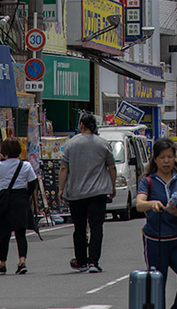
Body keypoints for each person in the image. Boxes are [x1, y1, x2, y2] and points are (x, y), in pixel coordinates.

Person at [136, 138, 177, 309]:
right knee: (157, 285)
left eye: (170, 157)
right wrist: (152, 204)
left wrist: (175, 212)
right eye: (162, 157)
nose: (166, 161)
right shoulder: (147, 181)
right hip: (155, 240)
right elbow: (139, 204)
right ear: (155, 159)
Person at [59, 113, 116, 273]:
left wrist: (61, 188)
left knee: (79, 227)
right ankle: (93, 262)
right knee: (96, 226)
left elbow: (64, 168)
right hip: (98, 193)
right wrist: (112, 186)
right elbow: (111, 167)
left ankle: (81, 261)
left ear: (82, 125)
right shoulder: (103, 144)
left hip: (76, 193)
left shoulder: (71, 144)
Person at [0, 137, 38, 275]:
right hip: (21, 199)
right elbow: (33, 183)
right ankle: (22, 261)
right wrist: (26, 195)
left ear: (4, 151)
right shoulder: (26, 165)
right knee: (20, 233)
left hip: (5, 199)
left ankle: (3, 262)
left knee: (4, 233)